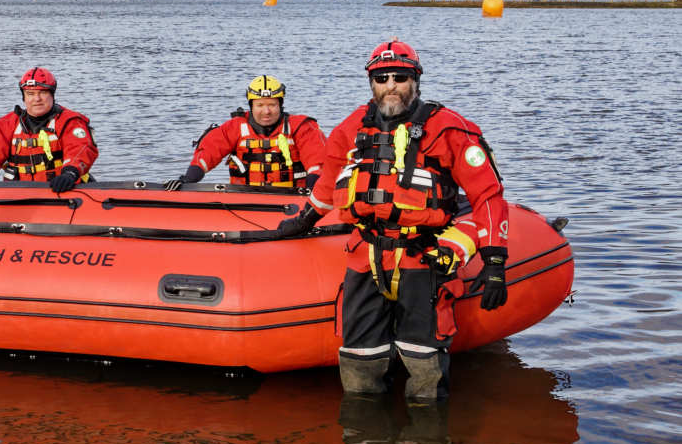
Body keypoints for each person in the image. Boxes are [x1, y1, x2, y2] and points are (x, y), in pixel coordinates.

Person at [274, 39, 509, 401]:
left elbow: (487, 196)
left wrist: (495, 263)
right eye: (381, 78)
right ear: (371, 82)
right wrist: (305, 220)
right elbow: (327, 182)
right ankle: (365, 443)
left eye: (400, 77)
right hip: (365, 257)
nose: (390, 86)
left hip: (422, 256)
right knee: (360, 358)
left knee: (423, 359)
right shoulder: (352, 127)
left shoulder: (450, 129)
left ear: (415, 79)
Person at [164, 75, 326, 191]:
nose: (266, 111)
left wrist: (313, 191)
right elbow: (208, 153)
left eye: (272, 105)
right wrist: (188, 180)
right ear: (251, 106)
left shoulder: (301, 127)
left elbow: (318, 162)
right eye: (260, 105)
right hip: (245, 197)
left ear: (281, 105)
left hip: (293, 197)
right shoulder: (234, 127)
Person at [0, 67, 98, 194]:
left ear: (52, 95)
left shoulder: (70, 122)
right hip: (19, 193)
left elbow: (81, 150)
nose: (36, 99)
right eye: (30, 93)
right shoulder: (7, 124)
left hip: (60, 190)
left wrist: (69, 174)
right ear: (24, 97)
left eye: (42, 93)